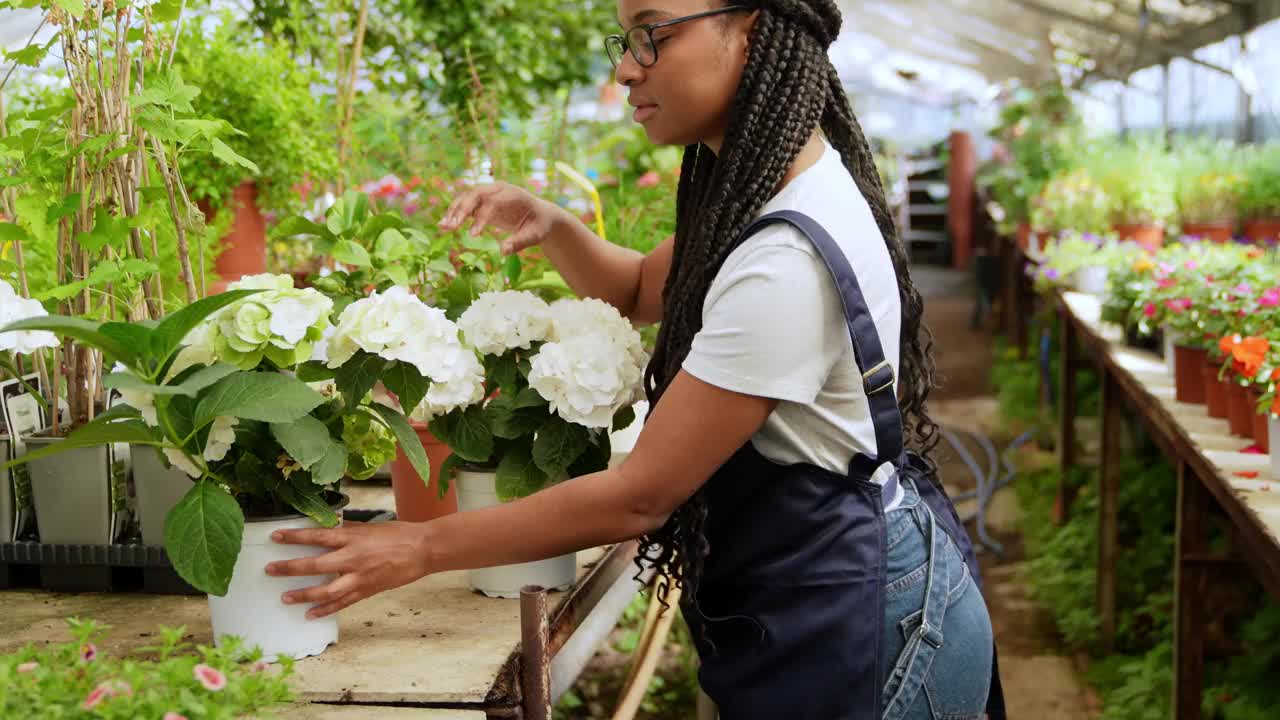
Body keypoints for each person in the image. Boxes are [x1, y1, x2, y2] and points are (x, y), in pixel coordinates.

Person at [267, 1, 1003, 717]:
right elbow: (644, 286)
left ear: (750, 29)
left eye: (650, 35)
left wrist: (420, 545)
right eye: (623, 39)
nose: (624, 69)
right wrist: (553, 225)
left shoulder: (785, 262)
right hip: (839, 587)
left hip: (871, 636)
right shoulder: (769, 187)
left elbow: (641, 495)